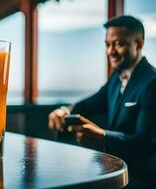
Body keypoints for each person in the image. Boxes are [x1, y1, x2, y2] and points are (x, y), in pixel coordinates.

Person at [48, 15, 156, 188]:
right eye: (107, 44)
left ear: (139, 44)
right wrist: (65, 110)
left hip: (141, 181)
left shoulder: (152, 82)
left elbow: (145, 144)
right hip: (114, 172)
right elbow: (89, 104)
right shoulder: (116, 78)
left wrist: (103, 137)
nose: (110, 51)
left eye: (119, 44)